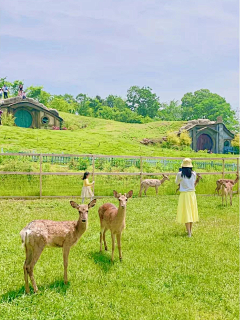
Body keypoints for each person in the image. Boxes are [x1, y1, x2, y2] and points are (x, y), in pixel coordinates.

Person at [175, 158, 199, 237]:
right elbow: (193, 182)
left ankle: (189, 232)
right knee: (191, 212)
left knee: (186, 213)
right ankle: (190, 231)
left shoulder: (180, 174)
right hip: (192, 194)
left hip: (184, 195)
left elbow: (176, 182)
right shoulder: (194, 174)